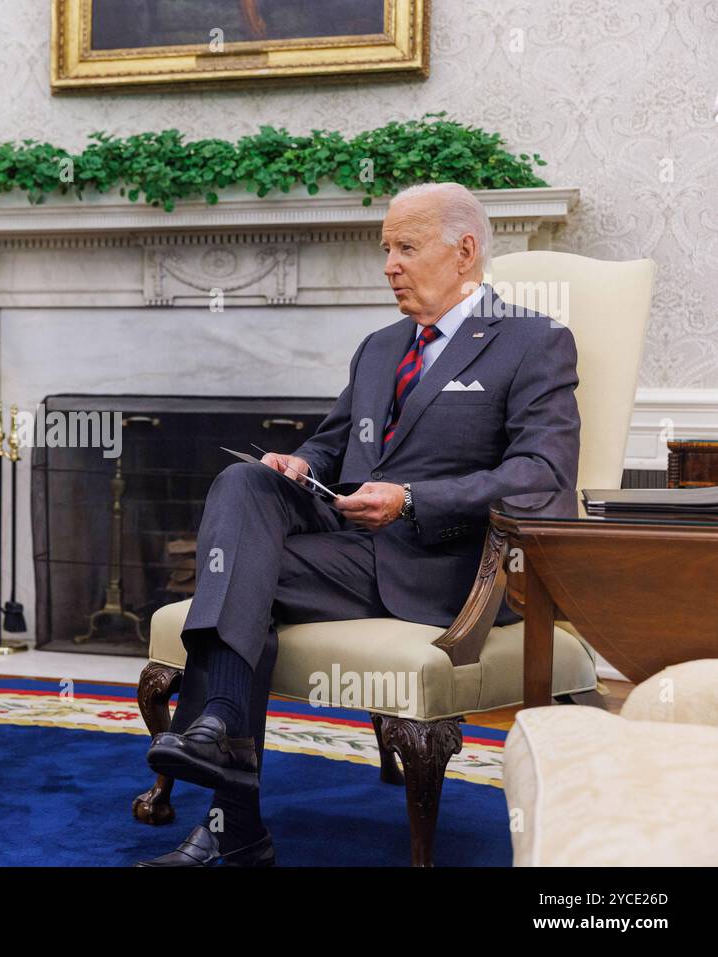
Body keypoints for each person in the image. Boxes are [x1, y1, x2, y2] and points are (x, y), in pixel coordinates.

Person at [139, 182, 580, 866]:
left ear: (464, 251)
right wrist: (299, 461)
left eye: (406, 247)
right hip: (351, 549)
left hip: (446, 570)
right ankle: (226, 737)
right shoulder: (379, 346)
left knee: (239, 585)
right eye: (385, 249)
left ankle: (231, 816)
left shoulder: (534, 341)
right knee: (244, 480)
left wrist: (410, 499)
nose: (389, 265)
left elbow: (542, 477)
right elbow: (334, 443)